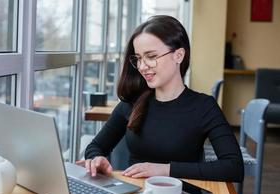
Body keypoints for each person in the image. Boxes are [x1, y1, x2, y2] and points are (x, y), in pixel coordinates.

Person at [77, 15, 244, 182]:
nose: (142, 67)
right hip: (134, 193)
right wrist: (96, 159)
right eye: (139, 58)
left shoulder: (204, 106)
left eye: (151, 56)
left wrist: (165, 169)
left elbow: (234, 167)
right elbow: (96, 146)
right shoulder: (131, 104)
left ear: (178, 55)